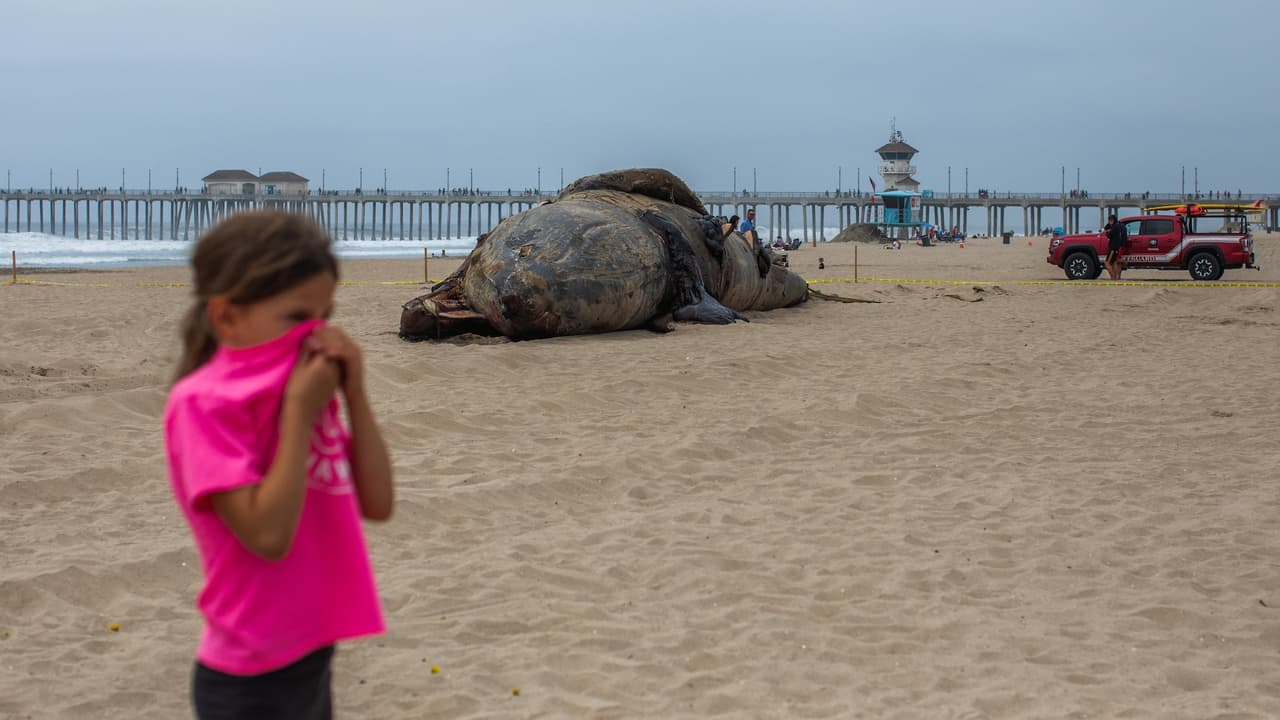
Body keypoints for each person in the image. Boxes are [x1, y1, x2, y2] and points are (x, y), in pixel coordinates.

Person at [164, 211, 394, 719]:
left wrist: (354, 391)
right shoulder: (204, 404)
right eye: (296, 317)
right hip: (249, 676)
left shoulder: (302, 389)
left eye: (324, 316)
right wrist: (299, 413)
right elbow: (267, 536)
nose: (315, 335)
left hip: (311, 653)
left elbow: (379, 502)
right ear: (227, 317)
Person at [1104, 213, 1128, 281]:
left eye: (1110, 220)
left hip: (1113, 248)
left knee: (1107, 263)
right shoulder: (1116, 226)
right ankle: (1116, 277)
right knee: (1114, 262)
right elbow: (1106, 228)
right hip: (1116, 247)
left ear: (1113, 220)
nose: (1109, 222)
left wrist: (1107, 232)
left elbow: (1109, 235)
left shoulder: (1115, 227)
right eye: (1109, 220)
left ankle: (1113, 277)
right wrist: (1109, 226)